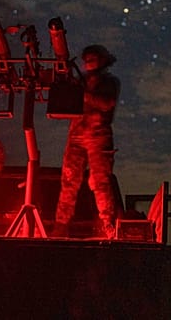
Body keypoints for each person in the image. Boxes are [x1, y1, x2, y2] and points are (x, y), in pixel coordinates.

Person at [52, 45, 121, 239]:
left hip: (98, 136)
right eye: (87, 59)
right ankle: (61, 226)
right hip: (77, 136)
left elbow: (106, 103)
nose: (88, 63)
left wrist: (82, 93)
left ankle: (108, 225)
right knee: (69, 181)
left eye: (93, 59)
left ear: (102, 60)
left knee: (100, 182)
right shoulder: (79, 82)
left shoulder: (110, 82)